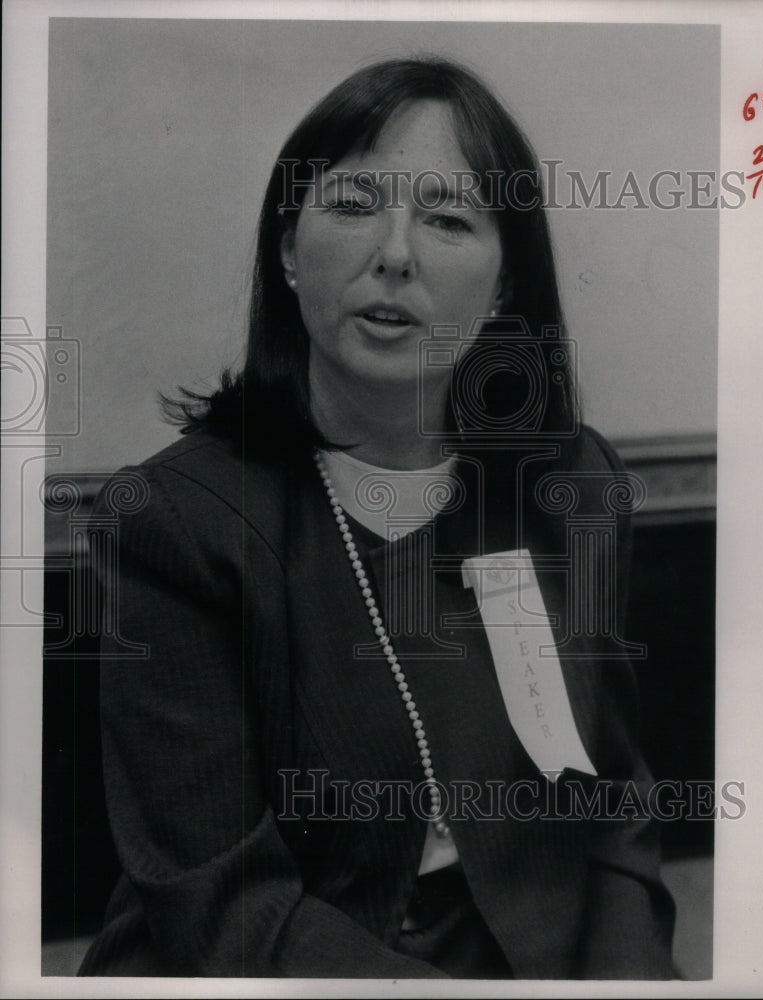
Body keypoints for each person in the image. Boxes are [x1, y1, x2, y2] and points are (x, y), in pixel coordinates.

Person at [79, 57, 676, 979]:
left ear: (507, 283)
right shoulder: (174, 524)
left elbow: (612, 808)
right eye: (354, 204)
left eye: (446, 218)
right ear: (287, 250)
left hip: (526, 953)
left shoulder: (573, 485)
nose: (395, 252)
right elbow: (223, 901)